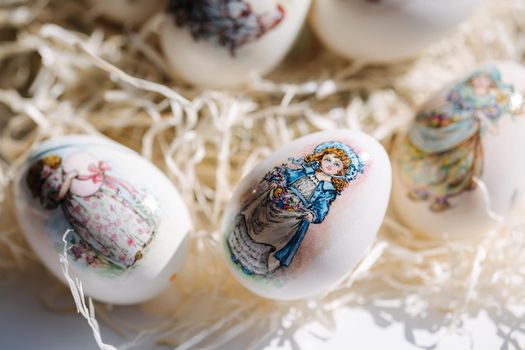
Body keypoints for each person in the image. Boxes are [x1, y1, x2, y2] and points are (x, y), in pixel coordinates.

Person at [227, 141, 365, 276]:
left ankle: (251, 264)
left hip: (292, 216)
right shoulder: (305, 171)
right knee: (254, 225)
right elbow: (285, 176)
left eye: (336, 164)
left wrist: (313, 214)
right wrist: (276, 183)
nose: (330, 165)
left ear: (342, 171)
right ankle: (239, 253)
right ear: (320, 158)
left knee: (268, 238)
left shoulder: (328, 190)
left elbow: (322, 207)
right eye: (327, 159)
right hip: (276, 202)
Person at [399, 67, 515, 211]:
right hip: (449, 128)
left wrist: (481, 116)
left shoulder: (492, 100)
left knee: (455, 165)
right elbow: (449, 105)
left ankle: (440, 197)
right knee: (430, 155)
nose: (480, 81)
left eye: (486, 79)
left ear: (492, 83)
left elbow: (494, 126)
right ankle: (420, 187)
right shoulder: (462, 92)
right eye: (478, 77)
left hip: (466, 138)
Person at [26, 153, 157, 269]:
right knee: (104, 229)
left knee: (115, 214)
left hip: (90, 198)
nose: (46, 170)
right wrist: (70, 178)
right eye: (41, 170)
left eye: (45, 167)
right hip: (79, 207)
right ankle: (130, 254)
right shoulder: (47, 185)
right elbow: (58, 196)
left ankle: (142, 237)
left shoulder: (59, 170)